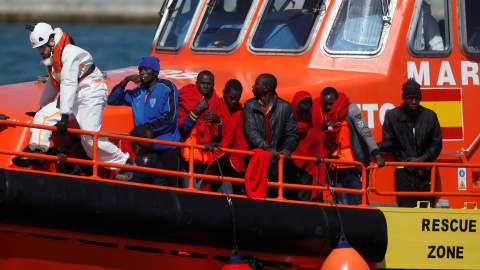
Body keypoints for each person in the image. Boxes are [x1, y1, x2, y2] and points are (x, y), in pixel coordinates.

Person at [13, 22, 132, 172]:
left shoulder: (70, 54)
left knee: (90, 139)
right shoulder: (52, 56)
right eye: (37, 48)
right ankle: (37, 152)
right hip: (73, 95)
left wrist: (64, 116)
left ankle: (125, 163)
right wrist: (42, 106)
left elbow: (68, 82)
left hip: (91, 92)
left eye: (41, 47)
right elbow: (53, 82)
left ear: (51, 41)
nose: (39, 51)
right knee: (43, 115)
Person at [107, 56, 181, 187]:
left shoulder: (167, 87)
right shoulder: (137, 92)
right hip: (145, 150)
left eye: (145, 69)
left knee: (169, 188)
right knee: (140, 186)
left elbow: (170, 117)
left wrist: (143, 130)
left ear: (155, 72)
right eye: (140, 69)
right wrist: (125, 81)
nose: (141, 72)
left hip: (166, 147)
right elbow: (112, 99)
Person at [378, 78, 442, 207]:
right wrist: (373, 147)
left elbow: (437, 144)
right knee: (406, 213)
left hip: (426, 173)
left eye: (417, 98)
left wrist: (421, 160)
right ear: (404, 98)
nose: (414, 101)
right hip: (404, 175)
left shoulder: (430, 116)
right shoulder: (392, 116)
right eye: (410, 98)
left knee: (426, 215)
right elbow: (390, 143)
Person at [318, 87, 384, 205]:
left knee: (358, 204)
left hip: (355, 169)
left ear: (337, 100)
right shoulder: (321, 116)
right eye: (325, 105)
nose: (328, 108)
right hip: (336, 171)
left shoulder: (351, 109)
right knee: (342, 205)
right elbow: (320, 140)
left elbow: (365, 132)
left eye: (331, 104)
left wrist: (377, 154)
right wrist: (324, 128)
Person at [243, 73, 302, 200]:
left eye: (256, 84)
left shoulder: (286, 107)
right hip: (257, 163)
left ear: (266, 88)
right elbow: (251, 132)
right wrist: (267, 148)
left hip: (280, 165)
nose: (252, 86)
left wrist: (287, 148)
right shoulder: (249, 105)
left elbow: (292, 133)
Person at [201, 79, 249, 194]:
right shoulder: (215, 106)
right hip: (220, 158)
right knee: (226, 193)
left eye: (237, 99)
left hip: (238, 158)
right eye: (230, 97)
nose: (233, 101)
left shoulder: (241, 110)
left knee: (239, 194)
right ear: (223, 92)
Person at [178, 70, 222, 189]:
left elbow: (218, 131)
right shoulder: (187, 95)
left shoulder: (216, 100)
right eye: (203, 83)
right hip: (189, 155)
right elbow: (182, 129)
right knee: (189, 189)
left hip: (206, 155)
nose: (206, 86)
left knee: (202, 190)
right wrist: (196, 110)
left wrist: (217, 120)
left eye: (209, 84)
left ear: (213, 85)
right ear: (197, 83)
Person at [291, 91, 325, 201]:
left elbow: (317, 143)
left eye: (307, 112)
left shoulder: (313, 117)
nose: (304, 115)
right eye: (301, 112)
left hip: (308, 167)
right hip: (288, 164)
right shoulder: (288, 116)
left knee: (303, 200)